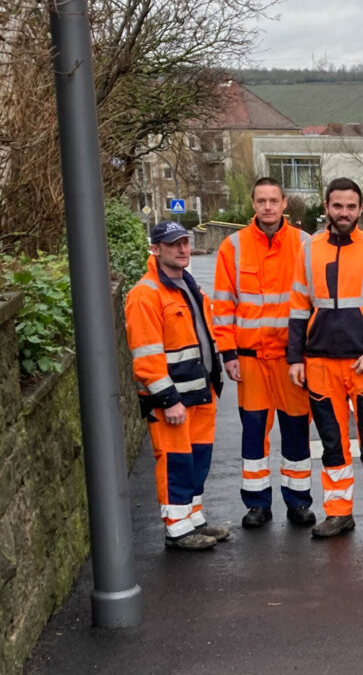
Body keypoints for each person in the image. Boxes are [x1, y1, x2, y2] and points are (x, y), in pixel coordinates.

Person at [288, 178, 363, 542]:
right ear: (326, 207)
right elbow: (297, 308)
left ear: (360, 207)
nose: (344, 213)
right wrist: (295, 358)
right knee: (332, 444)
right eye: (337, 206)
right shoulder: (309, 250)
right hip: (320, 364)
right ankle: (338, 514)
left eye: (351, 207)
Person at [213, 177, 315, 530]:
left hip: (291, 360)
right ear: (252, 204)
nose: (268, 206)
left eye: (274, 200)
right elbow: (223, 305)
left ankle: (299, 501)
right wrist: (227, 353)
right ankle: (257, 504)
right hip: (251, 359)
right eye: (261, 201)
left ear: (285, 203)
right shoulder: (233, 247)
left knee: (296, 432)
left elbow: (313, 302)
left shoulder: (304, 244)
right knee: (254, 433)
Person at [125, 221, 229, 550]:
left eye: (185, 242)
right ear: (155, 249)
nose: (183, 249)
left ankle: (193, 518)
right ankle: (177, 529)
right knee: (174, 462)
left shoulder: (188, 286)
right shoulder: (145, 295)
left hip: (198, 394)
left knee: (197, 460)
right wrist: (167, 399)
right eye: (173, 244)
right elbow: (146, 356)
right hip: (173, 400)